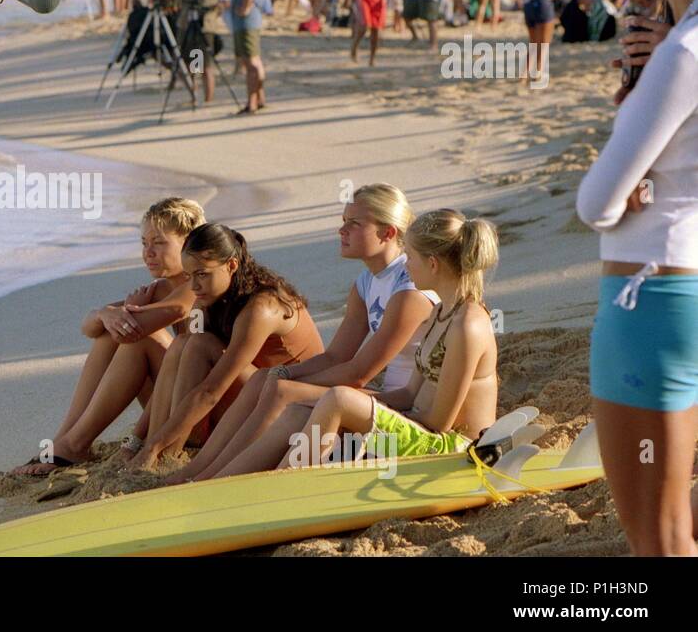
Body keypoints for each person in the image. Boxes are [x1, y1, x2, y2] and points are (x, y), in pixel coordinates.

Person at [577, 0, 698, 556]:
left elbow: (597, 200)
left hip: (646, 300)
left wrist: (631, 195)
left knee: (658, 539)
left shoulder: (681, 53)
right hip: (688, 290)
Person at [166, 184, 439, 485]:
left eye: (354, 223)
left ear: (387, 233)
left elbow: (360, 373)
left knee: (282, 390)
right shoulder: (365, 283)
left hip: (407, 404)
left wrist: (286, 381)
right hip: (389, 395)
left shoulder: (409, 289)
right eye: (343, 220)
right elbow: (336, 356)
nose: (341, 230)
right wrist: (283, 371)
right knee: (264, 378)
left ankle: (217, 478)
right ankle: (198, 471)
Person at [212, 210, 500, 477]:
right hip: (421, 427)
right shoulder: (441, 312)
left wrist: (357, 407)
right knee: (302, 408)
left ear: (433, 264)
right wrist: (333, 400)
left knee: (339, 400)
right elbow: (412, 393)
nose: (406, 265)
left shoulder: (467, 326)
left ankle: (282, 489)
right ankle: (219, 485)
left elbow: (439, 422)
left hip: (449, 448)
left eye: (410, 257)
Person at [11, 198, 206, 475]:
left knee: (135, 336)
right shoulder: (162, 288)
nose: (148, 252)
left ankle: (73, 445)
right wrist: (105, 313)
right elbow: (89, 327)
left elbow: (175, 310)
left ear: (189, 242)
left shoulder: (199, 282)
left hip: (204, 416)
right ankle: (65, 442)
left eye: (159, 243)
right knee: (112, 332)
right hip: (175, 402)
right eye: (143, 243)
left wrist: (122, 313)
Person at [124, 223, 323, 471]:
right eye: (189, 276)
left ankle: (165, 455)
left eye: (203, 274)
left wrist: (153, 444)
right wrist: (136, 441)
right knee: (183, 343)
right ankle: (157, 455)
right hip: (248, 401)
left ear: (231, 265)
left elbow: (211, 392)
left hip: (288, 409)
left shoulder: (262, 307)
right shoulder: (206, 302)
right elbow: (174, 370)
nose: (194, 286)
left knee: (199, 344)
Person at [178, 0, 231, 104]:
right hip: (188, 25)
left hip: (206, 26)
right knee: (192, 64)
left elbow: (226, 1)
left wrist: (217, 7)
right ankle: (194, 96)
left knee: (206, 64)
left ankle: (208, 98)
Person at [228, 0, 266, 114]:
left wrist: (244, 7)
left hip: (246, 19)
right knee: (256, 60)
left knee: (250, 61)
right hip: (254, 16)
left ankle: (252, 102)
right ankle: (259, 97)